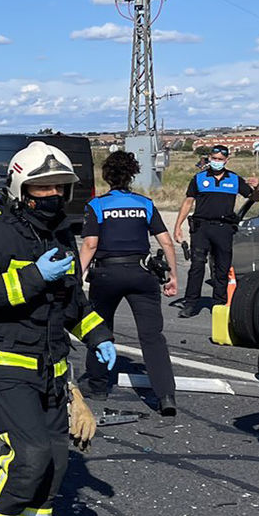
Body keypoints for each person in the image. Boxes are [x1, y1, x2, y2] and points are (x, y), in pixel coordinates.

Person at [0, 141, 116, 516]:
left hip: (51, 368)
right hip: (5, 364)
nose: (52, 195)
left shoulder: (61, 235)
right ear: (21, 189)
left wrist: (98, 336)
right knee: (29, 454)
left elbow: (73, 303)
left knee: (57, 460)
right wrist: (33, 276)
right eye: (42, 188)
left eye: (59, 188)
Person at [78, 151, 179, 416]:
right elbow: (166, 241)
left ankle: (97, 385)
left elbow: (90, 244)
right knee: (152, 336)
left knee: (99, 327)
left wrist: (77, 276)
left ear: (107, 176)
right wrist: (173, 276)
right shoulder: (144, 203)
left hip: (107, 274)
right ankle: (166, 395)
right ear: (132, 175)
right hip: (142, 272)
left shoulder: (97, 205)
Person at [172, 145, 259, 317]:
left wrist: (257, 187)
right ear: (209, 158)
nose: (216, 162)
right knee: (197, 266)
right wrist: (177, 226)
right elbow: (188, 202)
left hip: (224, 228)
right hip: (201, 228)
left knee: (222, 267)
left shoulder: (234, 179)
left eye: (220, 159)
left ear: (226, 160)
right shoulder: (199, 178)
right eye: (214, 158)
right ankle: (190, 303)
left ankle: (219, 303)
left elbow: (254, 198)